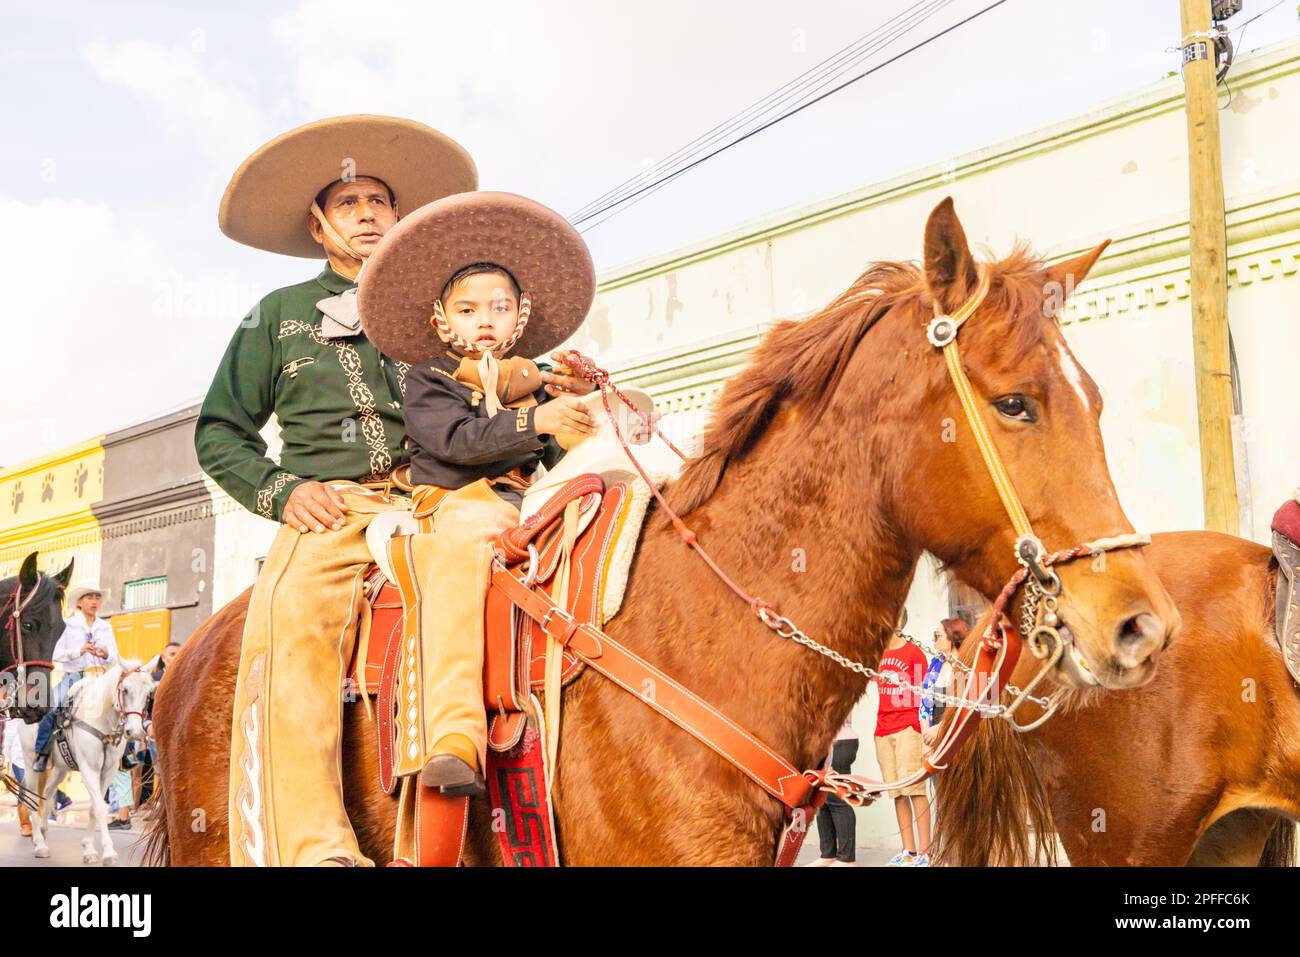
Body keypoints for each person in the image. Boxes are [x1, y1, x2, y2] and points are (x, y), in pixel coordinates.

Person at [198, 114, 493, 867]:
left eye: (379, 201)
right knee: (293, 621)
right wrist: (282, 490)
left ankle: (455, 751)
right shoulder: (276, 314)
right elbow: (220, 431)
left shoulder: (446, 309)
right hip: (332, 506)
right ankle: (313, 847)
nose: (368, 214)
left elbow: (490, 404)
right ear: (318, 224)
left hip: (437, 497)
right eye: (350, 202)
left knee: (504, 558)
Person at [358, 191, 601, 801]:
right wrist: (539, 424)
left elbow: (555, 452)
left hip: (530, 502)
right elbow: (456, 441)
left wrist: (588, 408)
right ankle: (452, 735)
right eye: (467, 310)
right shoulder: (429, 375)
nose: (484, 319)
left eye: (498, 307)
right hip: (458, 506)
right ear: (443, 322)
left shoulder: (536, 382)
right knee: (464, 555)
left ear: (521, 316)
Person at [31, 584, 118, 773]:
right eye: (89, 597)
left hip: (101, 677)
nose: (94, 601)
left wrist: (105, 654)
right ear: (79, 602)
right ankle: (42, 753)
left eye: (97, 597)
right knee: (51, 709)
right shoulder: (67, 625)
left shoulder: (105, 626)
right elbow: (55, 653)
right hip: (74, 677)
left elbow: (116, 657)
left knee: (123, 708)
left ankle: (124, 756)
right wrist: (78, 651)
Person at [874, 615, 931, 867]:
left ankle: (925, 852)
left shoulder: (914, 653)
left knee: (914, 789)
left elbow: (925, 696)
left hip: (908, 726)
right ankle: (908, 851)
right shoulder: (877, 654)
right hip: (883, 728)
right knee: (897, 793)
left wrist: (925, 731)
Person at [804, 715, 859, 866]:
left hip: (839, 740)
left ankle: (847, 859)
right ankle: (828, 854)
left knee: (837, 800)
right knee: (822, 798)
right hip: (824, 741)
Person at [920, 618, 969, 745]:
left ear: (952, 638)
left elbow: (966, 708)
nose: (934, 640)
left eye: (938, 636)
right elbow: (924, 706)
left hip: (959, 737)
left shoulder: (966, 666)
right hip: (933, 738)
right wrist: (926, 741)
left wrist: (940, 728)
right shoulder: (934, 664)